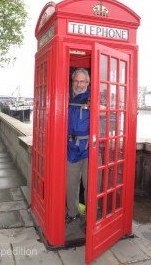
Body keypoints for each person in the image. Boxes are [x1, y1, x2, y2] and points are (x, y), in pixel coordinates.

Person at [66, 68, 90, 224]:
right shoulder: (64, 96)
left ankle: (91, 218)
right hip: (70, 148)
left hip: (90, 148)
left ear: (87, 83)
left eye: (82, 81)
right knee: (71, 185)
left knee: (91, 185)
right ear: (72, 82)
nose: (79, 84)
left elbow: (110, 116)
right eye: (76, 81)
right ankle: (73, 213)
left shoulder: (94, 98)